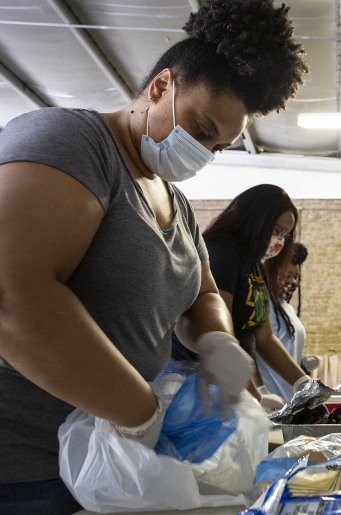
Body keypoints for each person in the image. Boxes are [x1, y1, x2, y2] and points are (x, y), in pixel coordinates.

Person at [0, 1, 307, 512]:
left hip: (106, 467)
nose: (204, 152)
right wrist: (137, 409)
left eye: (220, 146)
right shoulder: (71, 144)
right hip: (26, 471)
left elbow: (202, 293)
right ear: (162, 87)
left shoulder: (175, 203)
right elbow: (14, 294)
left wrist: (215, 339)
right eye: (202, 129)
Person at [171, 185, 311, 413]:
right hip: (206, 383)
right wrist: (254, 396)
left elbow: (264, 338)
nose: (279, 241)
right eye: (275, 230)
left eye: (284, 235)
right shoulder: (223, 253)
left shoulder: (254, 263)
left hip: (234, 384)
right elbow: (223, 337)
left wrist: (303, 383)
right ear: (255, 220)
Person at [258, 242, 320, 401]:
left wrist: (302, 360)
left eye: (296, 277)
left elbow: (284, 343)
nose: (293, 281)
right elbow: (255, 347)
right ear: (272, 272)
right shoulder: (262, 303)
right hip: (271, 394)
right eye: (288, 275)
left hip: (290, 394)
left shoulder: (287, 309)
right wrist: (260, 392)